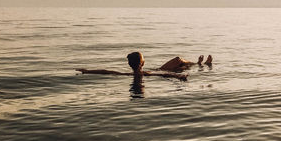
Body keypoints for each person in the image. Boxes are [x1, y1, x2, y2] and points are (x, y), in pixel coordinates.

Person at [75, 51, 203, 81]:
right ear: (143, 63)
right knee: (178, 62)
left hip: (156, 70)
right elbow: (163, 74)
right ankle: (198, 64)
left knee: (178, 63)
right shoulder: (145, 74)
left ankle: (197, 64)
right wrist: (179, 77)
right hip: (158, 70)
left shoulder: (125, 74)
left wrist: (87, 71)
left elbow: (105, 71)